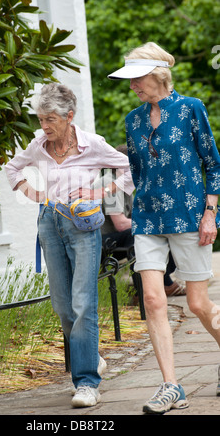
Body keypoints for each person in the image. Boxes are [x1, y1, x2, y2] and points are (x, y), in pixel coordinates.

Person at [4, 83, 134, 408]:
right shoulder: (39, 144)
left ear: (69, 116)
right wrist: (31, 193)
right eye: (40, 119)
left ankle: (87, 382)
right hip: (49, 223)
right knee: (63, 307)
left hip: (82, 227)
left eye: (50, 119)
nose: (44, 127)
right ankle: (92, 355)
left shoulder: (92, 145)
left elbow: (129, 168)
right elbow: (11, 168)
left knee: (83, 303)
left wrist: (99, 193)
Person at [108, 42, 220, 414]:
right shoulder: (132, 120)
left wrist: (210, 213)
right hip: (148, 219)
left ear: (158, 75)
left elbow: (213, 165)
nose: (132, 87)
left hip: (189, 216)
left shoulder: (191, 109)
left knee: (197, 304)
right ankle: (171, 386)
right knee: (153, 299)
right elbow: (135, 174)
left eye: (136, 79)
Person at [100, 146, 186, 298]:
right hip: (101, 242)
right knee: (136, 235)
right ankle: (149, 290)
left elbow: (137, 215)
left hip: (115, 238)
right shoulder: (109, 183)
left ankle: (158, 283)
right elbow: (120, 224)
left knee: (165, 230)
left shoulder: (124, 183)